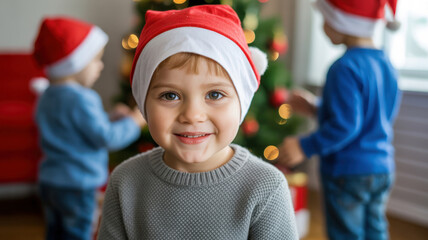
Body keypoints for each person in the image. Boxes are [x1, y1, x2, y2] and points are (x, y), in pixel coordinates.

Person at [97, 5, 299, 240]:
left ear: (242, 102)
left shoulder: (265, 187)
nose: (192, 115)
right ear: (143, 103)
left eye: (214, 95)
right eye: (170, 95)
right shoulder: (125, 182)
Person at [278, 0, 402, 239]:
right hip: (381, 168)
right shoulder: (387, 65)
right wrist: (316, 107)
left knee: (346, 234)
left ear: (342, 21)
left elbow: (346, 125)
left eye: (326, 18)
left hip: (348, 171)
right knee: (374, 230)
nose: (323, 26)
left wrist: (304, 146)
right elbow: (372, 114)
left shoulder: (344, 67)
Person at [33, 17, 145, 240]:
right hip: (78, 184)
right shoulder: (82, 98)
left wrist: (110, 116)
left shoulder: (46, 94)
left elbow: (73, 128)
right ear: (75, 63)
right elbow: (107, 137)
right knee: (77, 234)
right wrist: (134, 121)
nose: (100, 66)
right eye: (95, 60)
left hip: (50, 181)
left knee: (55, 233)